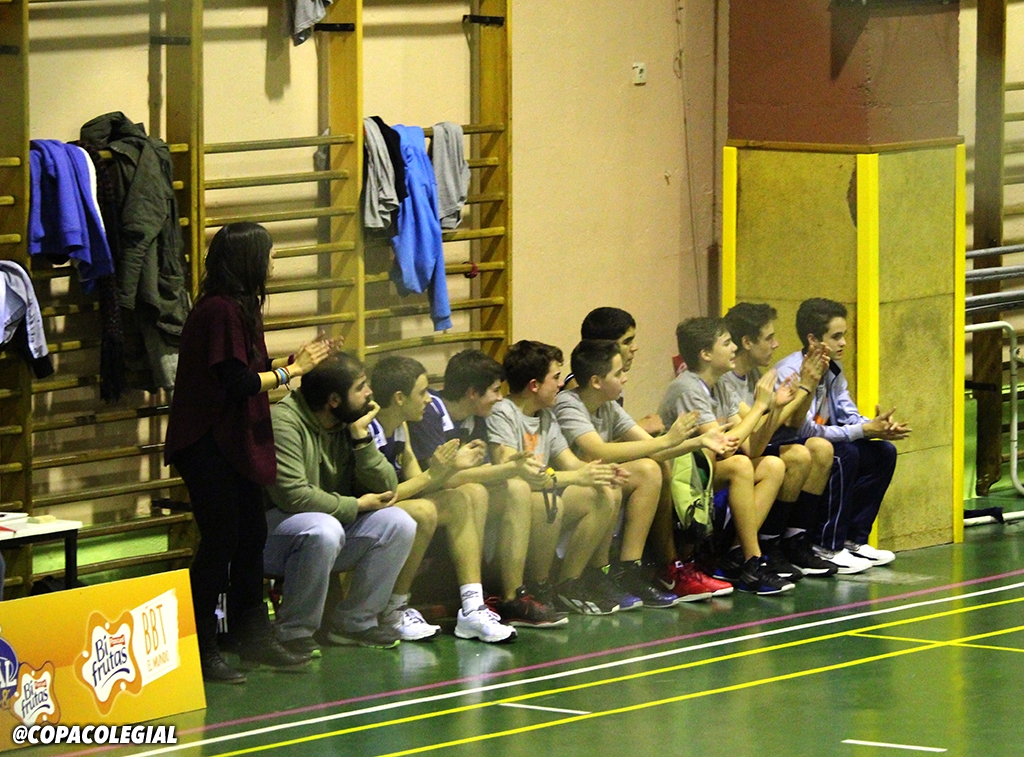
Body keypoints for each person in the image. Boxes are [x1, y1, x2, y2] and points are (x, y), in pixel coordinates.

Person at [164, 222, 331, 684]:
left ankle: (251, 634)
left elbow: (251, 371)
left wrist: (289, 366)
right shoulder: (219, 310)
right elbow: (237, 383)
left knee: (252, 535)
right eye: (270, 254)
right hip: (206, 442)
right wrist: (291, 372)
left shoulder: (242, 306)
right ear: (250, 259)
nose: (275, 262)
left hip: (233, 439)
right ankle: (201, 645)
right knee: (220, 541)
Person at [555, 339, 730, 606]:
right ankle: (593, 575)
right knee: (611, 482)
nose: (625, 378)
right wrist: (666, 440)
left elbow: (655, 450)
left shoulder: (608, 405)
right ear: (596, 381)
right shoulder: (568, 403)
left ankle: (629, 569)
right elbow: (599, 450)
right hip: (566, 491)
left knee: (649, 469)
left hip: (593, 483)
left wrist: (697, 441)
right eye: (618, 374)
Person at [263, 354, 416, 654]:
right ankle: (293, 630)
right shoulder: (283, 422)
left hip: (327, 529)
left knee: (399, 523)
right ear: (334, 400)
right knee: (324, 528)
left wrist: (362, 440)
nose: (369, 393)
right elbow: (293, 496)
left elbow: (388, 487)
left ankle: (354, 623)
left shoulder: (350, 421)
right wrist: (356, 505)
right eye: (360, 387)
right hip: (270, 537)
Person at [407, 349, 568, 627]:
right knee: (480, 491)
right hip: (426, 498)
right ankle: (474, 595)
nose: (500, 398)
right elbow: (440, 479)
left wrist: (514, 469)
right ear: (472, 392)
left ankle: (514, 595)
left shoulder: (477, 417)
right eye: (494, 390)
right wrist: (510, 468)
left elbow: (473, 472)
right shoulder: (429, 412)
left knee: (520, 490)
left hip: (458, 497)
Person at [369, 355, 517, 644]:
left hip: (392, 503)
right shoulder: (369, 429)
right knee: (424, 511)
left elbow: (418, 480)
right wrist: (441, 470)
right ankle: (394, 610)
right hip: (366, 509)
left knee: (459, 500)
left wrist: (445, 469)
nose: (429, 398)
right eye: (422, 392)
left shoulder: (401, 426)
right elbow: (385, 495)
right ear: (399, 398)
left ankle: (472, 607)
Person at [487, 340, 627, 615]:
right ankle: (532, 587)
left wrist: (600, 472)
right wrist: (579, 475)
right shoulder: (503, 412)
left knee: (603, 491)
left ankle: (567, 583)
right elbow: (516, 472)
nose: (562, 384)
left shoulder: (546, 417)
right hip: (506, 510)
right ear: (534, 385)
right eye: (556, 377)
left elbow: (571, 464)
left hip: (540, 496)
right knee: (550, 501)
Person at [773, 298, 911, 570]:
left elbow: (848, 412)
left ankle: (852, 539)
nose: (844, 343)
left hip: (820, 440)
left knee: (883, 452)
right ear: (813, 339)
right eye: (836, 337)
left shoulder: (833, 368)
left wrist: (876, 427)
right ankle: (826, 544)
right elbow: (803, 429)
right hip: (792, 446)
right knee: (844, 454)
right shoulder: (790, 371)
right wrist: (862, 430)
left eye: (844, 335)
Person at [659, 317, 793, 595]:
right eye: (727, 343)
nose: (734, 348)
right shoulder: (688, 388)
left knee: (772, 465)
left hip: (708, 471)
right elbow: (725, 446)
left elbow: (753, 446)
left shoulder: (720, 385)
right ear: (706, 354)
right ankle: (753, 561)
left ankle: (735, 555)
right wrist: (760, 406)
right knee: (740, 465)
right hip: (681, 476)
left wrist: (775, 409)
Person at [722, 302, 839, 577]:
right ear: (747, 342)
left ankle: (795, 541)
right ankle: (762, 545)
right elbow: (756, 431)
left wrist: (810, 384)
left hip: (755, 446)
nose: (776, 344)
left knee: (820, 448)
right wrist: (803, 389)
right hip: (735, 455)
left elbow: (794, 422)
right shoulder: (727, 380)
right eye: (769, 338)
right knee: (797, 456)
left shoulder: (754, 374)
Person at [564, 307, 664, 435]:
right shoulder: (579, 386)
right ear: (605, 347)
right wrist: (640, 427)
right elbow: (591, 445)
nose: (634, 347)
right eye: (627, 342)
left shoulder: (611, 380)